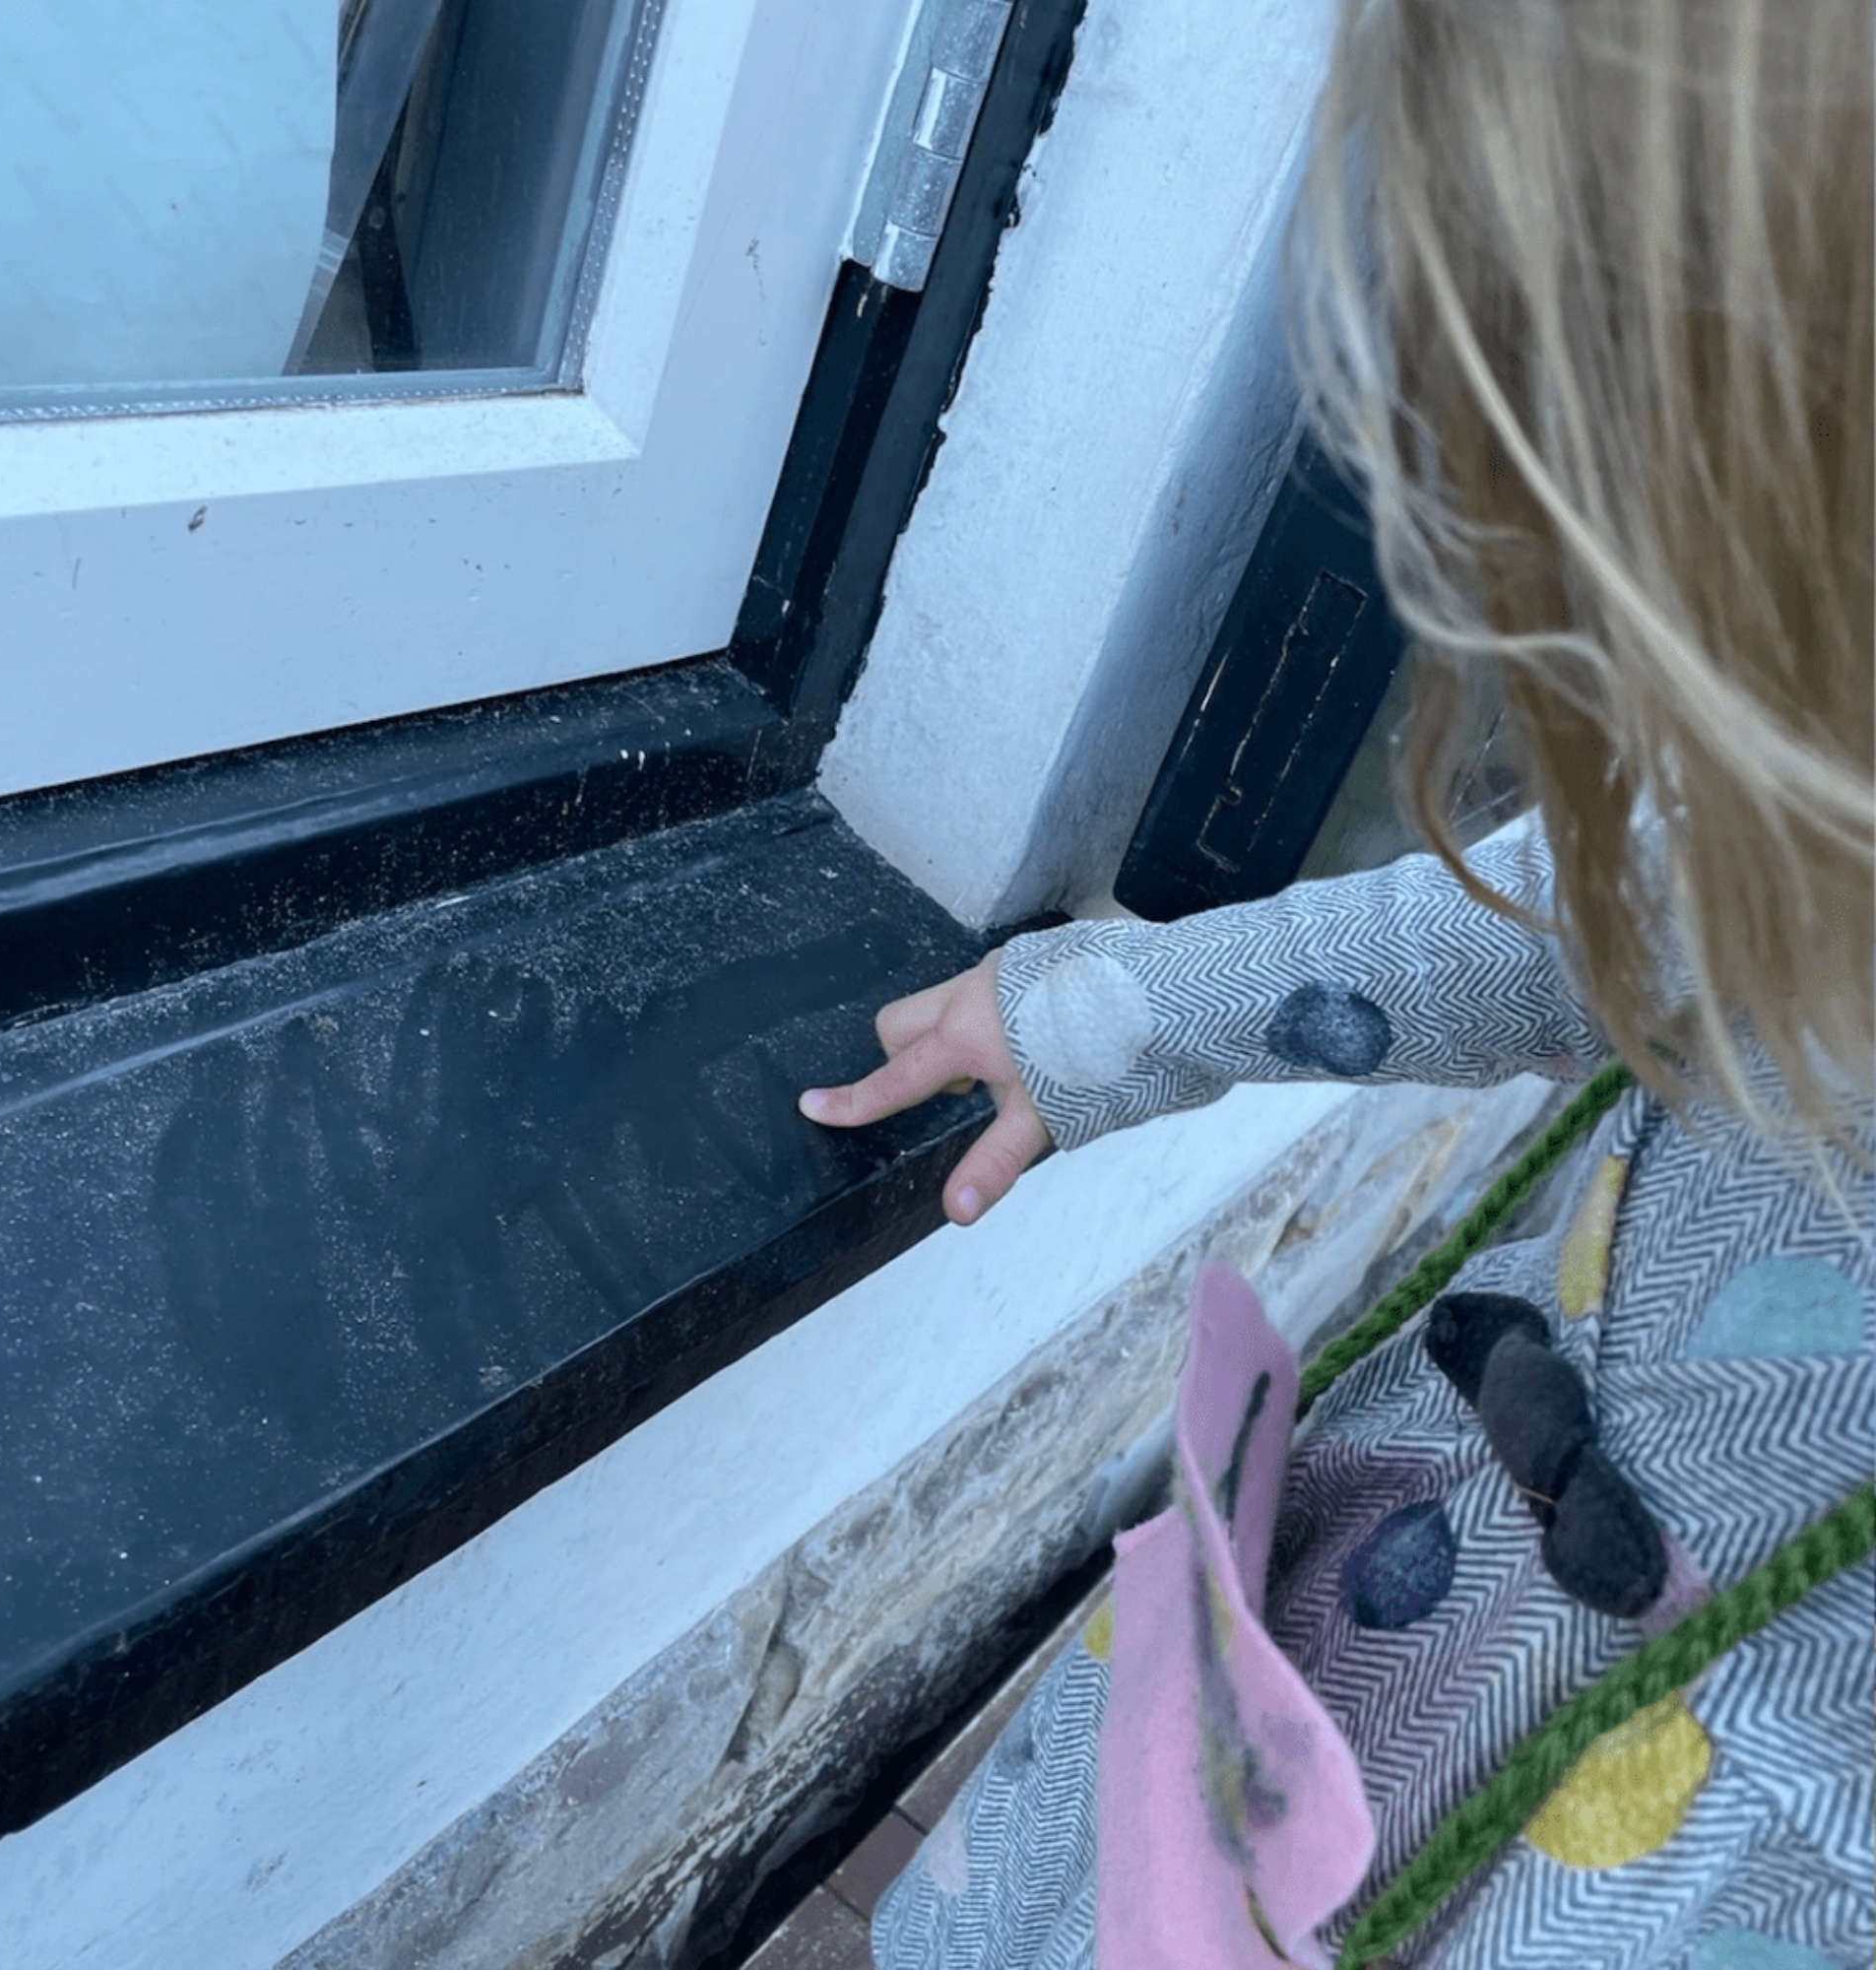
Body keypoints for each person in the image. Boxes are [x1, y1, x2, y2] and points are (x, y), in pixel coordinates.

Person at [798, 3, 1874, 1966]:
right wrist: (1114, 1018)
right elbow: (1593, 914)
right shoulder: (1816, 828)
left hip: (1649, 1868)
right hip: (1374, 1598)